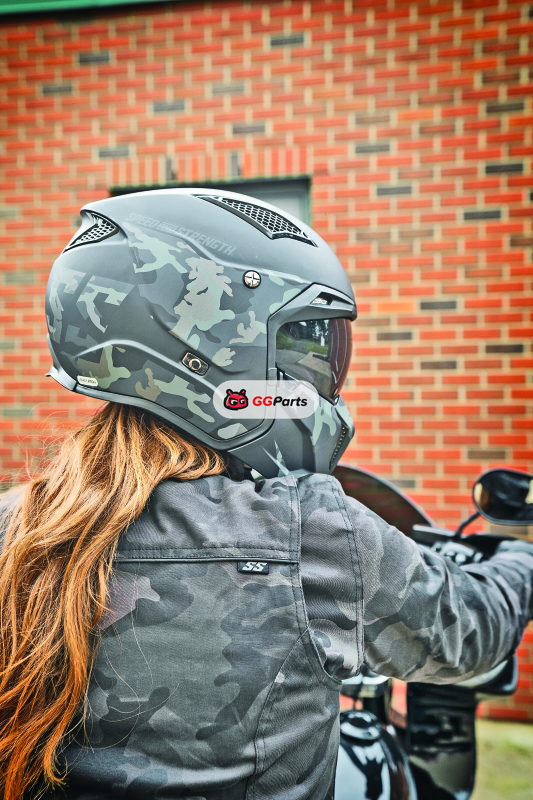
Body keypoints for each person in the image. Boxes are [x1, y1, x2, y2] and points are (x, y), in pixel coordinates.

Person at [0, 189, 532, 800]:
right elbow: (472, 631)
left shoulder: (14, 527)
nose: (320, 376)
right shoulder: (308, 531)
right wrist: (520, 558)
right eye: (304, 345)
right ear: (209, 353)